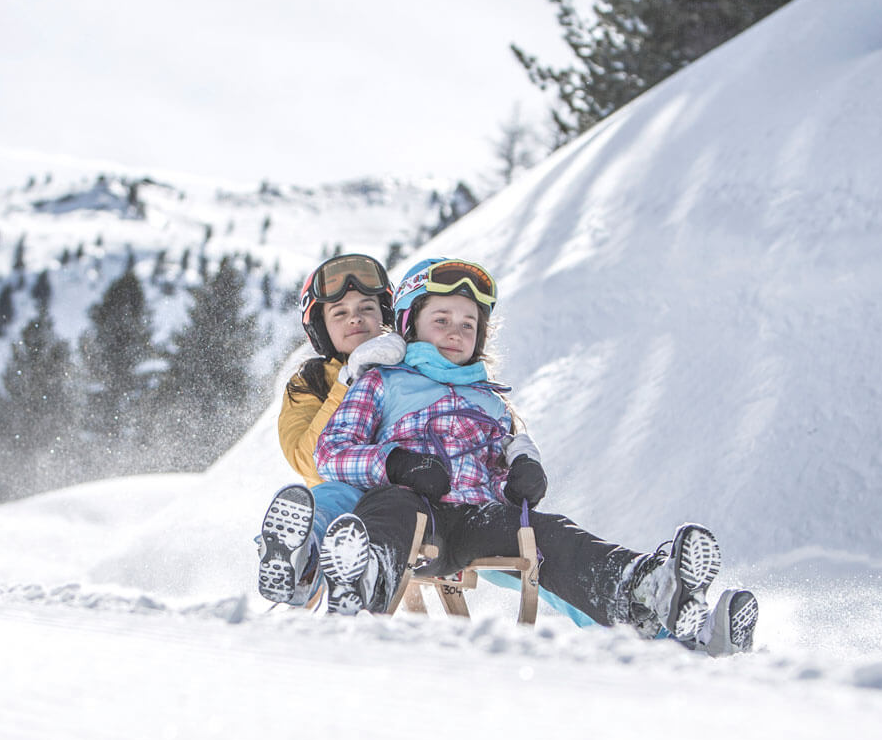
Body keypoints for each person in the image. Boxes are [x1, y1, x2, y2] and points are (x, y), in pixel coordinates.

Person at [312, 256, 757, 653]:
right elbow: (330, 452)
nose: (455, 331)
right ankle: (363, 580)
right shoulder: (383, 381)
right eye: (442, 319)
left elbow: (508, 456)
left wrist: (523, 471)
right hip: (410, 511)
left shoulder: (490, 401)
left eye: (468, 324)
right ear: (410, 323)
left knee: (547, 533)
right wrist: (395, 463)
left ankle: (646, 589)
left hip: (473, 518)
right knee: (393, 507)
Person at [257, 253, 406, 607]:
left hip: (404, 493)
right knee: (329, 499)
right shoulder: (309, 383)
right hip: (341, 494)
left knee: (380, 508)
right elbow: (308, 461)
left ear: (385, 316)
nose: (355, 317)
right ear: (322, 327)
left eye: (367, 308)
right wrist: (347, 381)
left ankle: (349, 585)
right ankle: (298, 561)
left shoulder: (413, 367)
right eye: (339, 312)